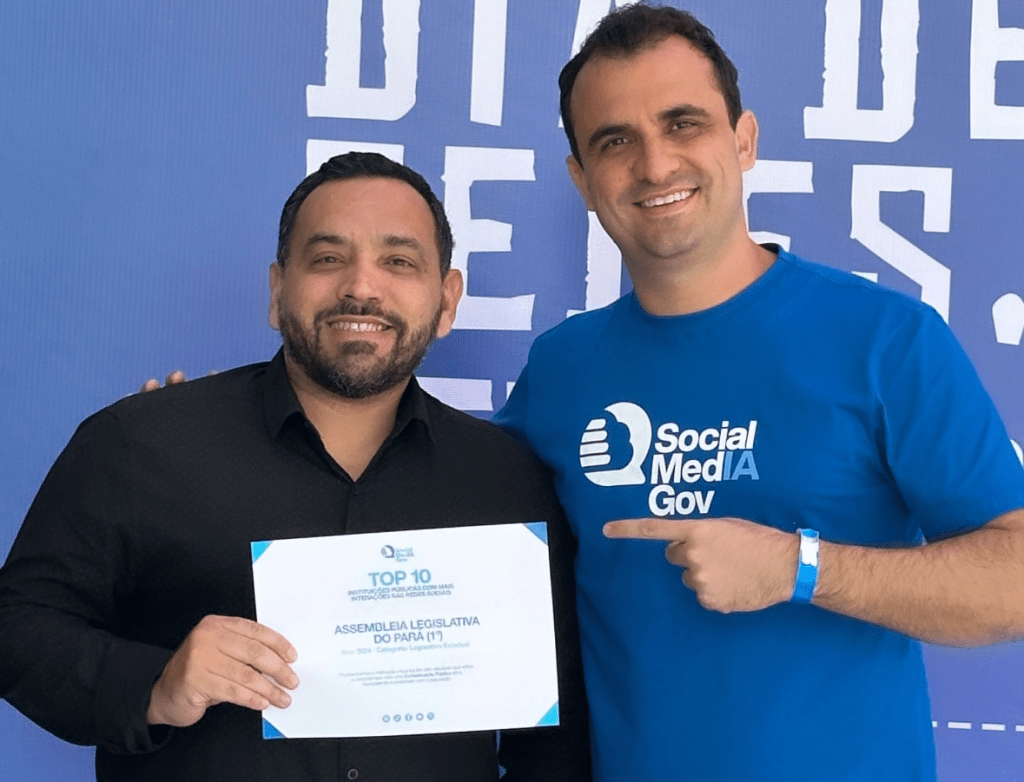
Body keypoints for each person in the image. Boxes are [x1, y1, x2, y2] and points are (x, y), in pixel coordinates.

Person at [493, 5, 1024, 781]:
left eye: (683, 124)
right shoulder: (561, 369)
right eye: (615, 141)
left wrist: (799, 568)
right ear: (582, 179)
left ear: (744, 141)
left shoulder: (884, 338)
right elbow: (471, 548)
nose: (655, 165)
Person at [0, 152, 590, 782]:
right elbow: (18, 626)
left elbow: (551, 741)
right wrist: (157, 684)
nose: (361, 287)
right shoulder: (142, 444)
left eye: (398, 261)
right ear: (278, 291)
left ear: (447, 301)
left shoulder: (508, 479)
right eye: (328, 258)